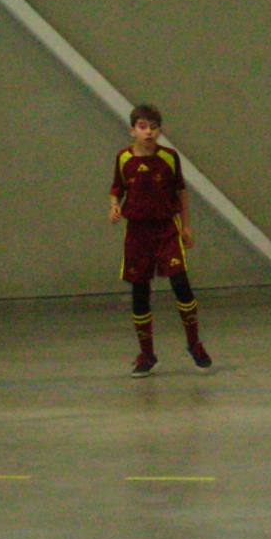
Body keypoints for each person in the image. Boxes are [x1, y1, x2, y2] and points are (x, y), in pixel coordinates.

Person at [109, 104, 213, 377]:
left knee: (181, 284)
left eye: (154, 127)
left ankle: (194, 344)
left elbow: (181, 192)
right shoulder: (123, 159)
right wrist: (114, 206)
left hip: (166, 229)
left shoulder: (169, 158)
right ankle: (147, 354)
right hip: (138, 234)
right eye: (143, 127)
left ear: (160, 131)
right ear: (132, 130)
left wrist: (186, 227)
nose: (149, 132)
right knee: (140, 291)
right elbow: (117, 189)